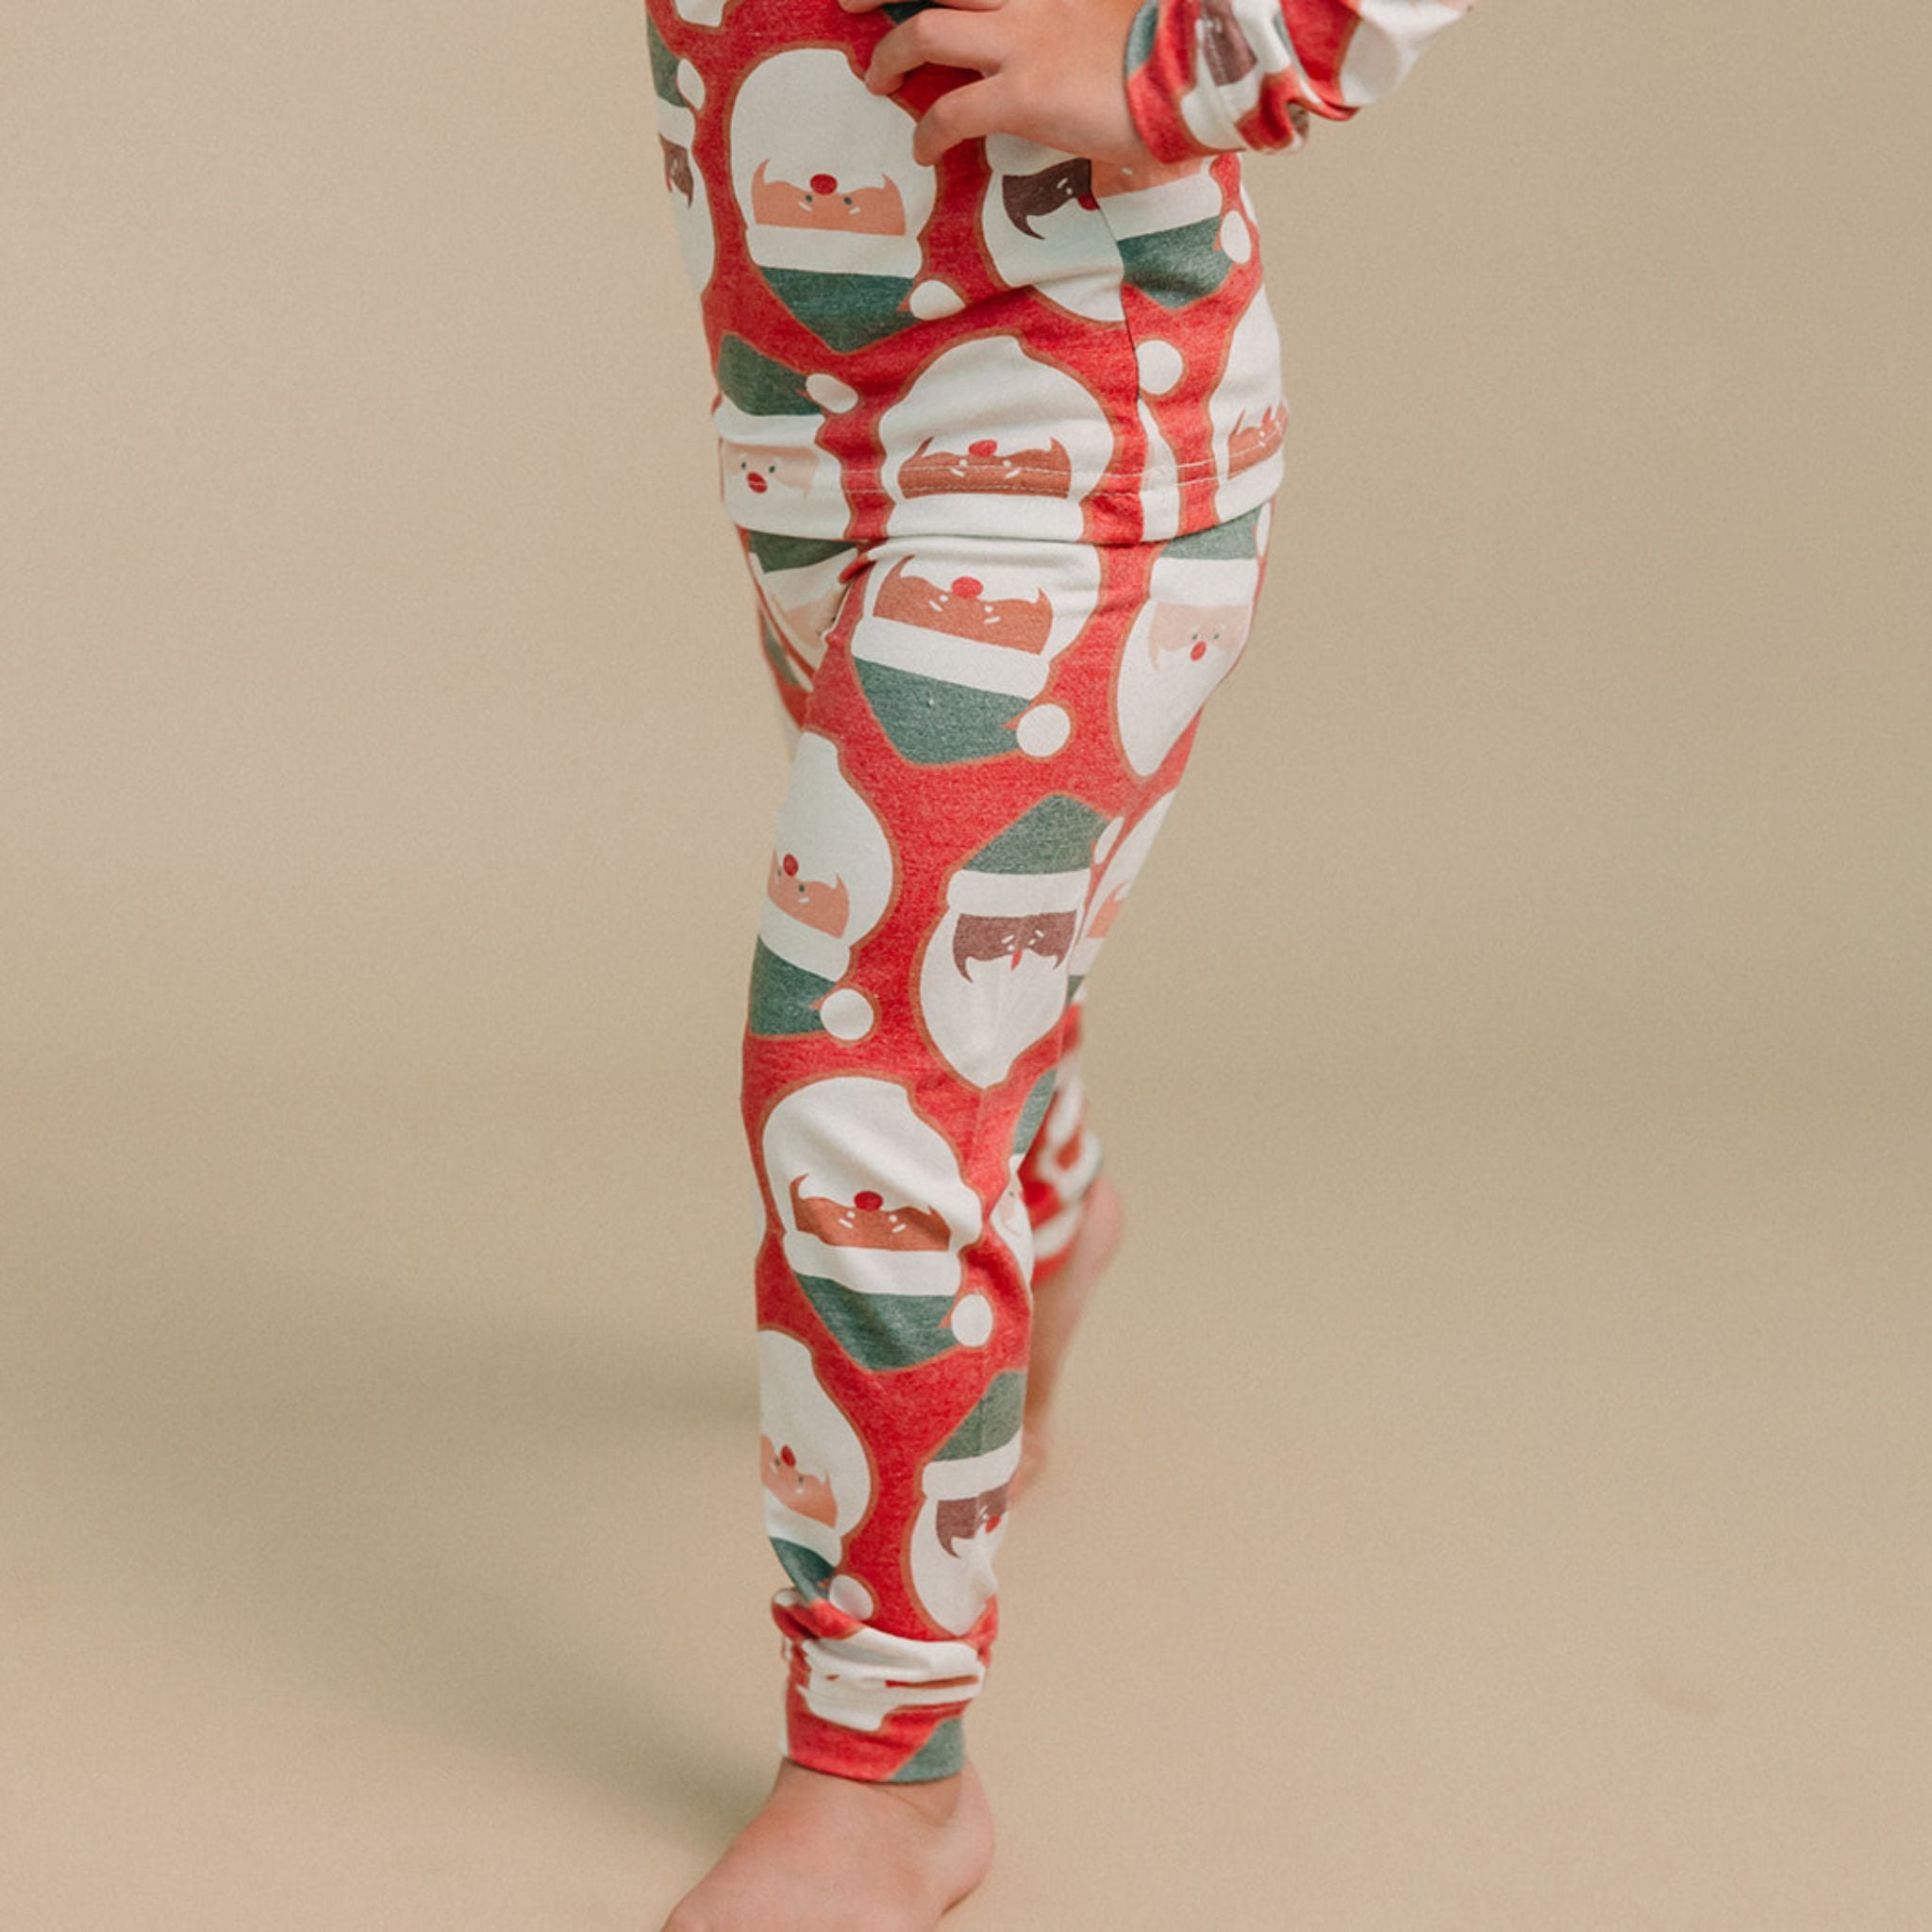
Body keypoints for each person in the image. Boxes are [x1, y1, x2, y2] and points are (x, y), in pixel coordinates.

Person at [647, 0, 1475, 1923]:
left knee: (855, 1077)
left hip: (1077, 432)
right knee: (956, 982)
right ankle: (1051, 1201)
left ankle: (887, 1777)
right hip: (808, 432)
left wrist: (1196, 53)